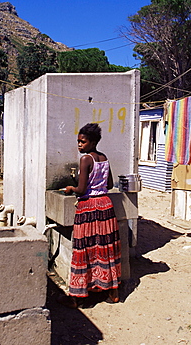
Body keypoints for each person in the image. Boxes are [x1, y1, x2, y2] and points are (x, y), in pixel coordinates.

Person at [59, 123, 121, 308]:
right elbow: (109, 184)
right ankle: (112, 291)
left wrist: (71, 188)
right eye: (78, 141)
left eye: (83, 142)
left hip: (89, 208)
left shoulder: (86, 160)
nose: (79, 145)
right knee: (106, 248)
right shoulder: (104, 158)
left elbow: (81, 189)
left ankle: (78, 296)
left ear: (93, 142)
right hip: (105, 206)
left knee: (83, 248)